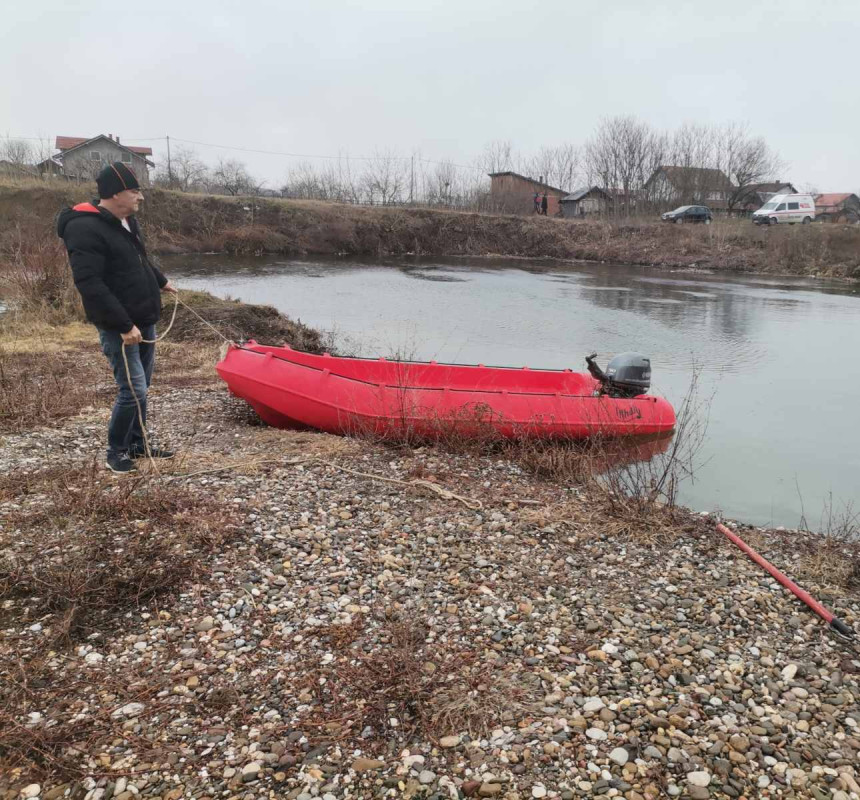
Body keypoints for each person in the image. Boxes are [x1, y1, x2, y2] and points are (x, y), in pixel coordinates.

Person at [57, 162, 177, 473]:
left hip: (144, 317)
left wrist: (161, 281)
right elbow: (90, 284)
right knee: (133, 389)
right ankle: (117, 451)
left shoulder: (127, 221)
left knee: (143, 387)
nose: (141, 197)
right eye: (135, 191)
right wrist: (124, 325)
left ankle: (138, 444)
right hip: (119, 326)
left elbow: (138, 260)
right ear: (115, 193)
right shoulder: (83, 227)